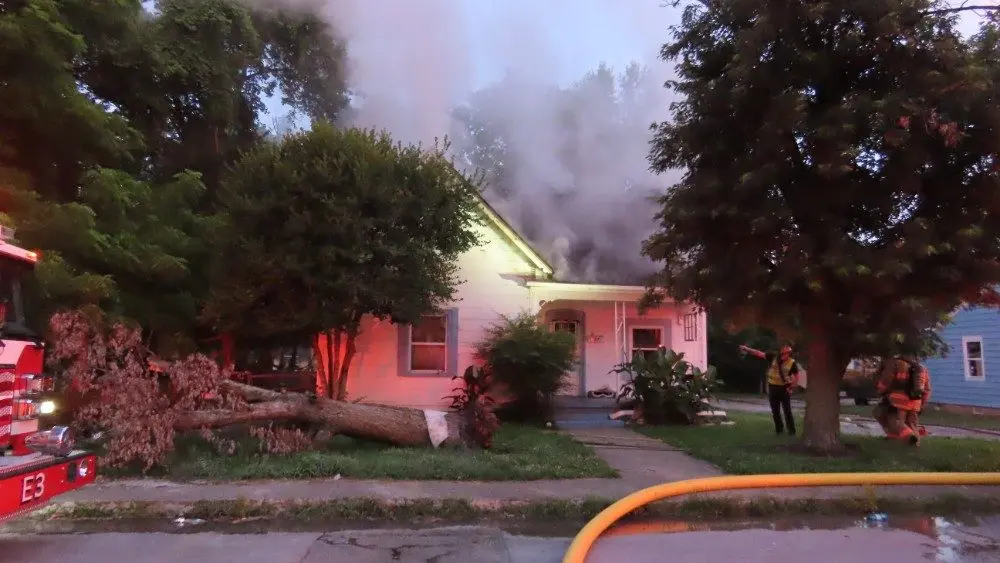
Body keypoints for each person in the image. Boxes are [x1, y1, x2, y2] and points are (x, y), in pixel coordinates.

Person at [739, 343, 800, 435]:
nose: (786, 356)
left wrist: (792, 387)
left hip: (784, 388)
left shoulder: (792, 363)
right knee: (775, 410)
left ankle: (791, 431)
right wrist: (747, 349)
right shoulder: (773, 357)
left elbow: (797, 376)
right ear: (781, 353)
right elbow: (759, 354)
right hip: (773, 387)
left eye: (788, 354)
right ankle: (779, 430)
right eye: (784, 353)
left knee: (787, 410)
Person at [874, 356, 932, 446]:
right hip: (915, 402)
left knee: (895, 422)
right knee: (912, 424)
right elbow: (927, 389)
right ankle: (914, 446)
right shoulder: (921, 368)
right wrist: (921, 405)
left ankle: (909, 437)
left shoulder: (896, 364)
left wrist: (880, 391)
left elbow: (886, 381)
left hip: (898, 401)